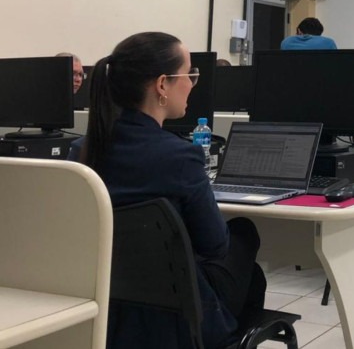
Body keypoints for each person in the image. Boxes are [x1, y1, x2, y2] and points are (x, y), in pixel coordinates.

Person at [68, 32, 266, 348]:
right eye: (189, 74)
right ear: (162, 85)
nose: (192, 83)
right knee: (244, 234)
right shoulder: (179, 156)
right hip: (179, 318)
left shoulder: (80, 151)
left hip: (111, 311)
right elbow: (215, 245)